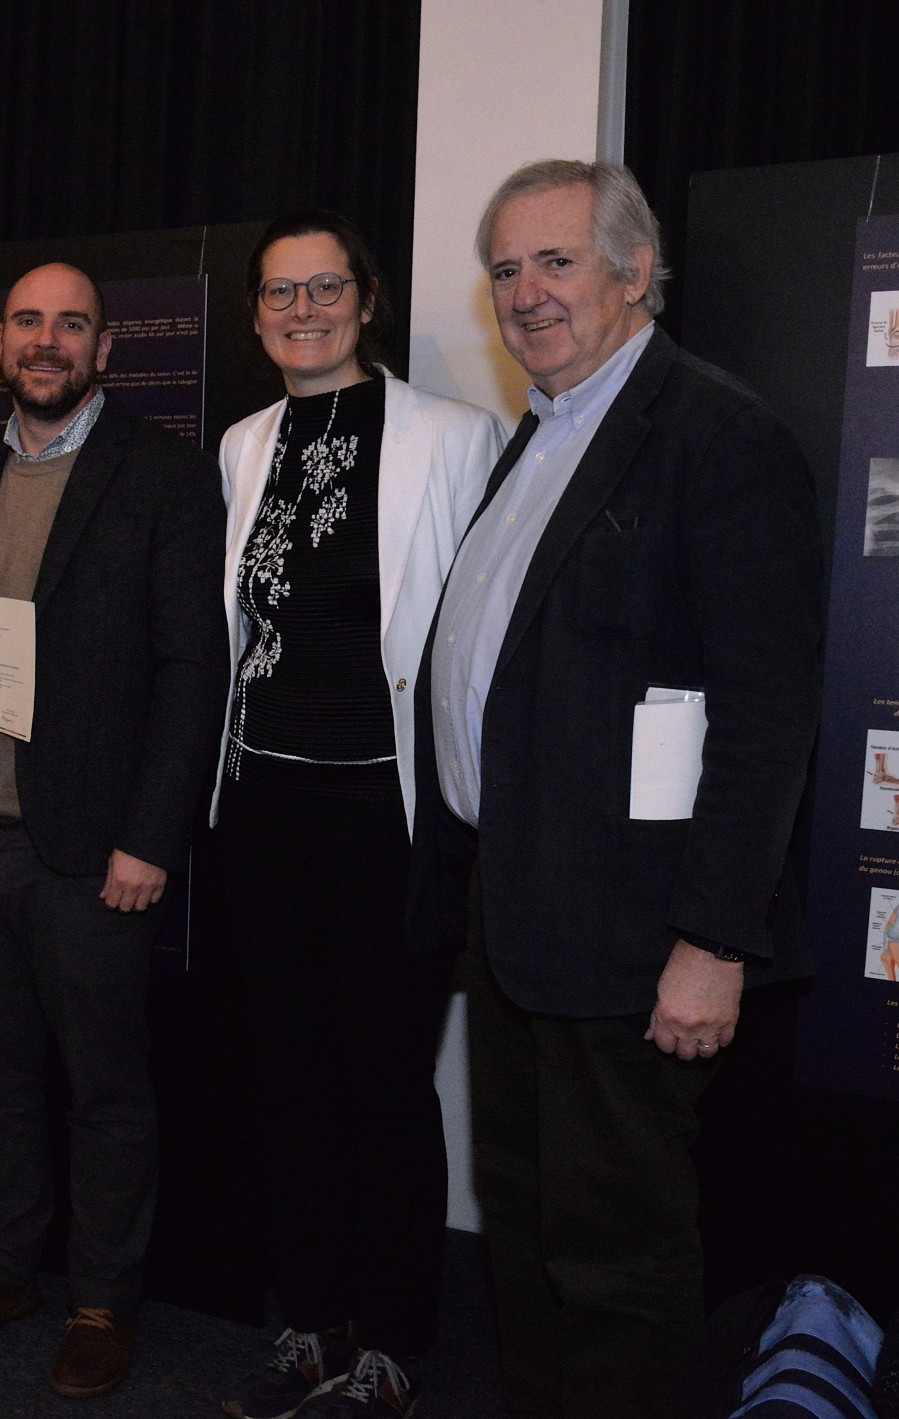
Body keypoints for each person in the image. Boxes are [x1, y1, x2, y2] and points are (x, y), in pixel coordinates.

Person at [411, 160, 824, 1417]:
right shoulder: (540, 432)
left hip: (635, 939)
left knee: (616, 1258)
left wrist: (711, 942)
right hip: (517, 915)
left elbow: (762, 720)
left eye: (555, 261)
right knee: (529, 1225)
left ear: (635, 273)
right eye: (502, 270)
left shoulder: (716, 438)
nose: (525, 295)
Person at [0, 262, 230, 1399]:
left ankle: (102, 1297)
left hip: (94, 853)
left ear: (103, 348)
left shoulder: (164, 477)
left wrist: (152, 840)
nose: (45, 341)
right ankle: (2, 1270)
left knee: (105, 1091)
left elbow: (194, 672)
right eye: (27, 323)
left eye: (70, 324)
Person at [208, 212, 506, 1419]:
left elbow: (477, 635)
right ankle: (311, 1317)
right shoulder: (240, 445)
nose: (301, 310)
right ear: (255, 315)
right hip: (264, 806)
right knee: (287, 1078)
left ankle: (391, 1340)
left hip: (386, 814)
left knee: (384, 1085)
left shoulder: (452, 436)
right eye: (279, 294)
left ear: (366, 300)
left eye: (323, 287)